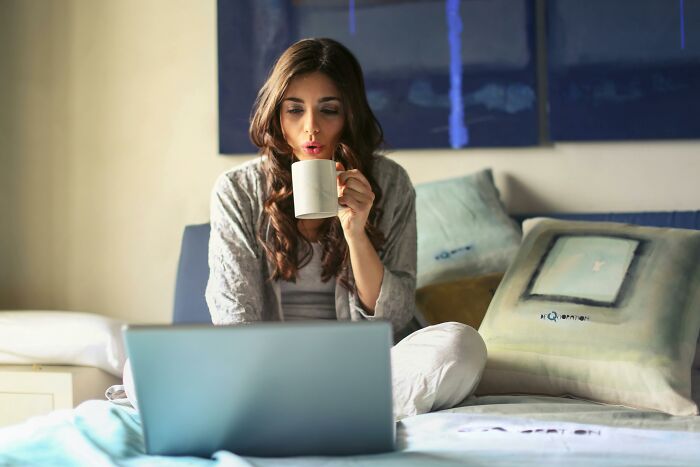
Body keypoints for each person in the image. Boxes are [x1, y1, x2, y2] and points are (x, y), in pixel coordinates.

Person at [205, 37, 417, 339]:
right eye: (295, 110)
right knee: (140, 368)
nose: (311, 127)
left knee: (458, 345)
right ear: (277, 115)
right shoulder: (238, 190)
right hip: (269, 358)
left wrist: (356, 233)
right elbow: (233, 315)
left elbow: (395, 318)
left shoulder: (391, 183)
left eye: (329, 110)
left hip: (359, 355)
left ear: (349, 115)